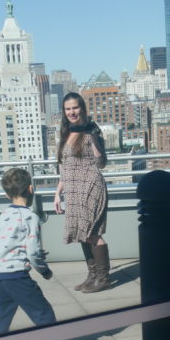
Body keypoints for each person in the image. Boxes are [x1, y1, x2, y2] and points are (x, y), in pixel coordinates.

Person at [0, 168, 85, 340]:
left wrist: (29, 255)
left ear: (6, 194)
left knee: (2, 315)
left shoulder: (4, 214)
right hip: (17, 275)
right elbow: (32, 253)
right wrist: (44, 270)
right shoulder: (31, 217)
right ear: (31, 189)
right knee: (43, 313)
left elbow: (9, 244)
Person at [53, 92, 111, 293]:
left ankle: (103, 278)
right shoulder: (66, 132)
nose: (72, 112)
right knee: (82, 234)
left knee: (92, 233)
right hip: (73, 190)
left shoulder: (91, 131)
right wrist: (58, 192)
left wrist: (94, 137)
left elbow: (101, 163)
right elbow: (64, 166)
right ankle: (92, 275)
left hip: (91, 187)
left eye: (75, 107)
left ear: (82, 109)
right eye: (68, 108)